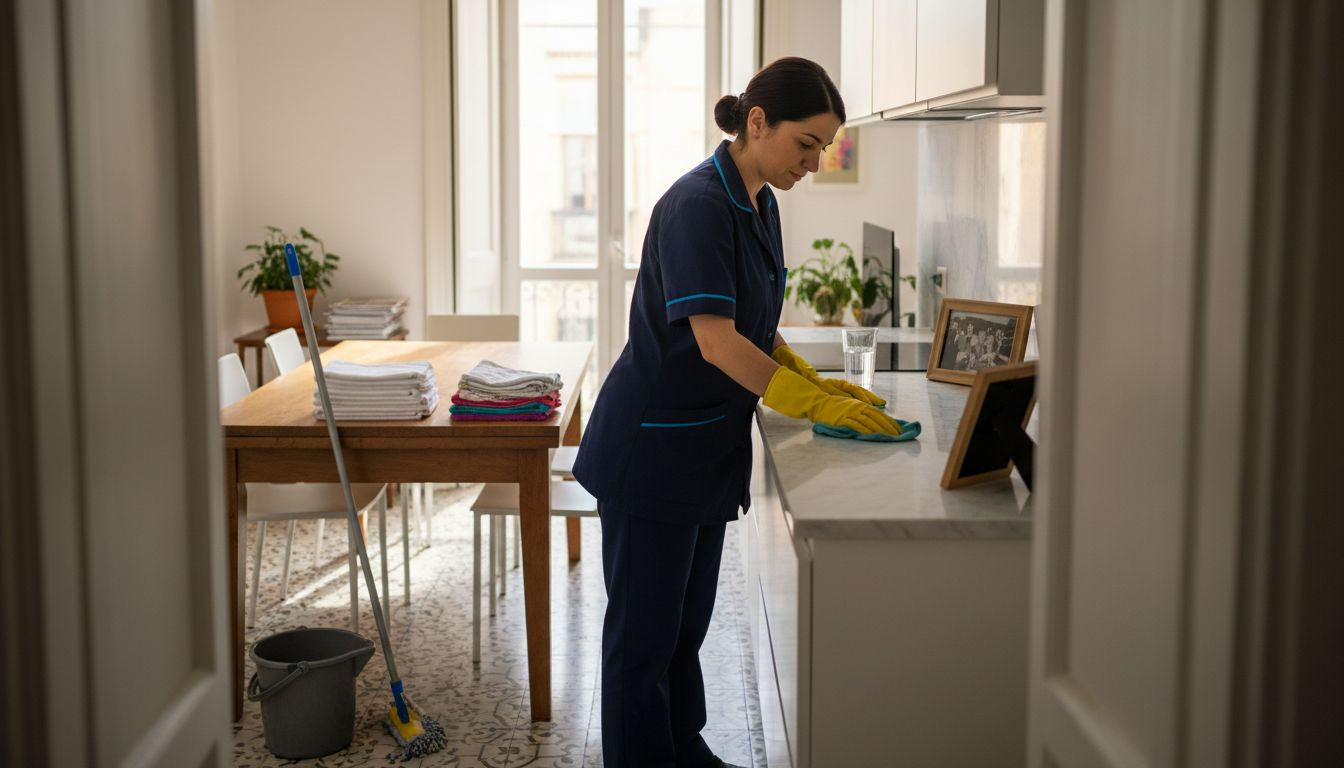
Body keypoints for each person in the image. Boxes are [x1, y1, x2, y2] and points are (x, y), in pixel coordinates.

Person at [572, 57, 905, 768]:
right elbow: (717, 341)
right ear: (758, 123)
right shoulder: (697, 205)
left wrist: (814, 378)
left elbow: (754, 325)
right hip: (652, 450)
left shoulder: (759, 202)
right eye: (806, 143)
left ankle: (682, 747)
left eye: (823, 148)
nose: (814, 163)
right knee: (642, 642)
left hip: (700, 451)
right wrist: (808, 402)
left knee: (683, 630)